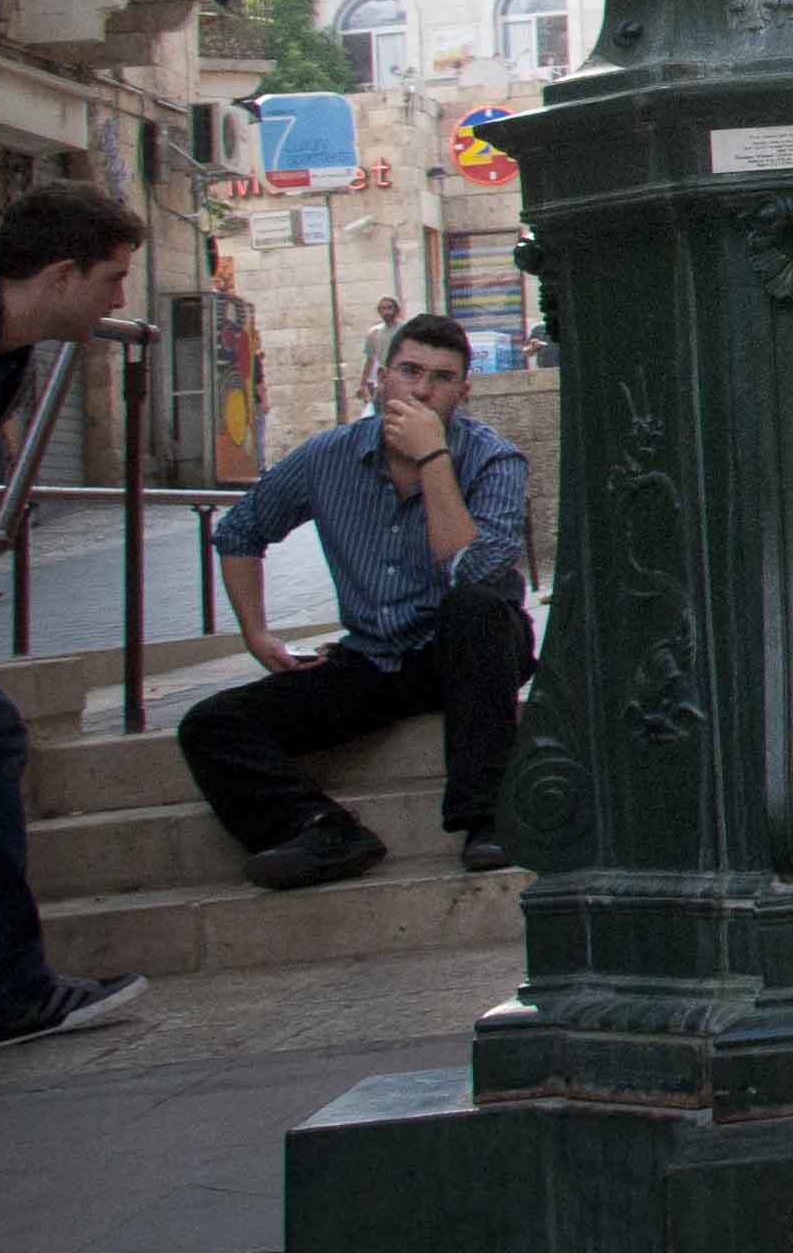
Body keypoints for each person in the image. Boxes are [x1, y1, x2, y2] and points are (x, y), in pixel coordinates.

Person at [183, 312, 535, 886]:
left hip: (465, 649)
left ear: (464, 392)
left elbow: (470, 571)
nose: (422, 390)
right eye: (410, 372)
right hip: (371, 656)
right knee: (211, 724)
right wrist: (257, 632)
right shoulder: (329, 455)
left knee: (476, 609)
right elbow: (240, 529)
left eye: (442, 379)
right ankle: (322, 829)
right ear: (381, 379)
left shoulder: (494, 459)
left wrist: (432, 460)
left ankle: (487, 818)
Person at [0, 186, 151, 1054]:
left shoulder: (1, 349)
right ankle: (0, 995)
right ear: (62, 274)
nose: (117, 303)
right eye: (111, 279)